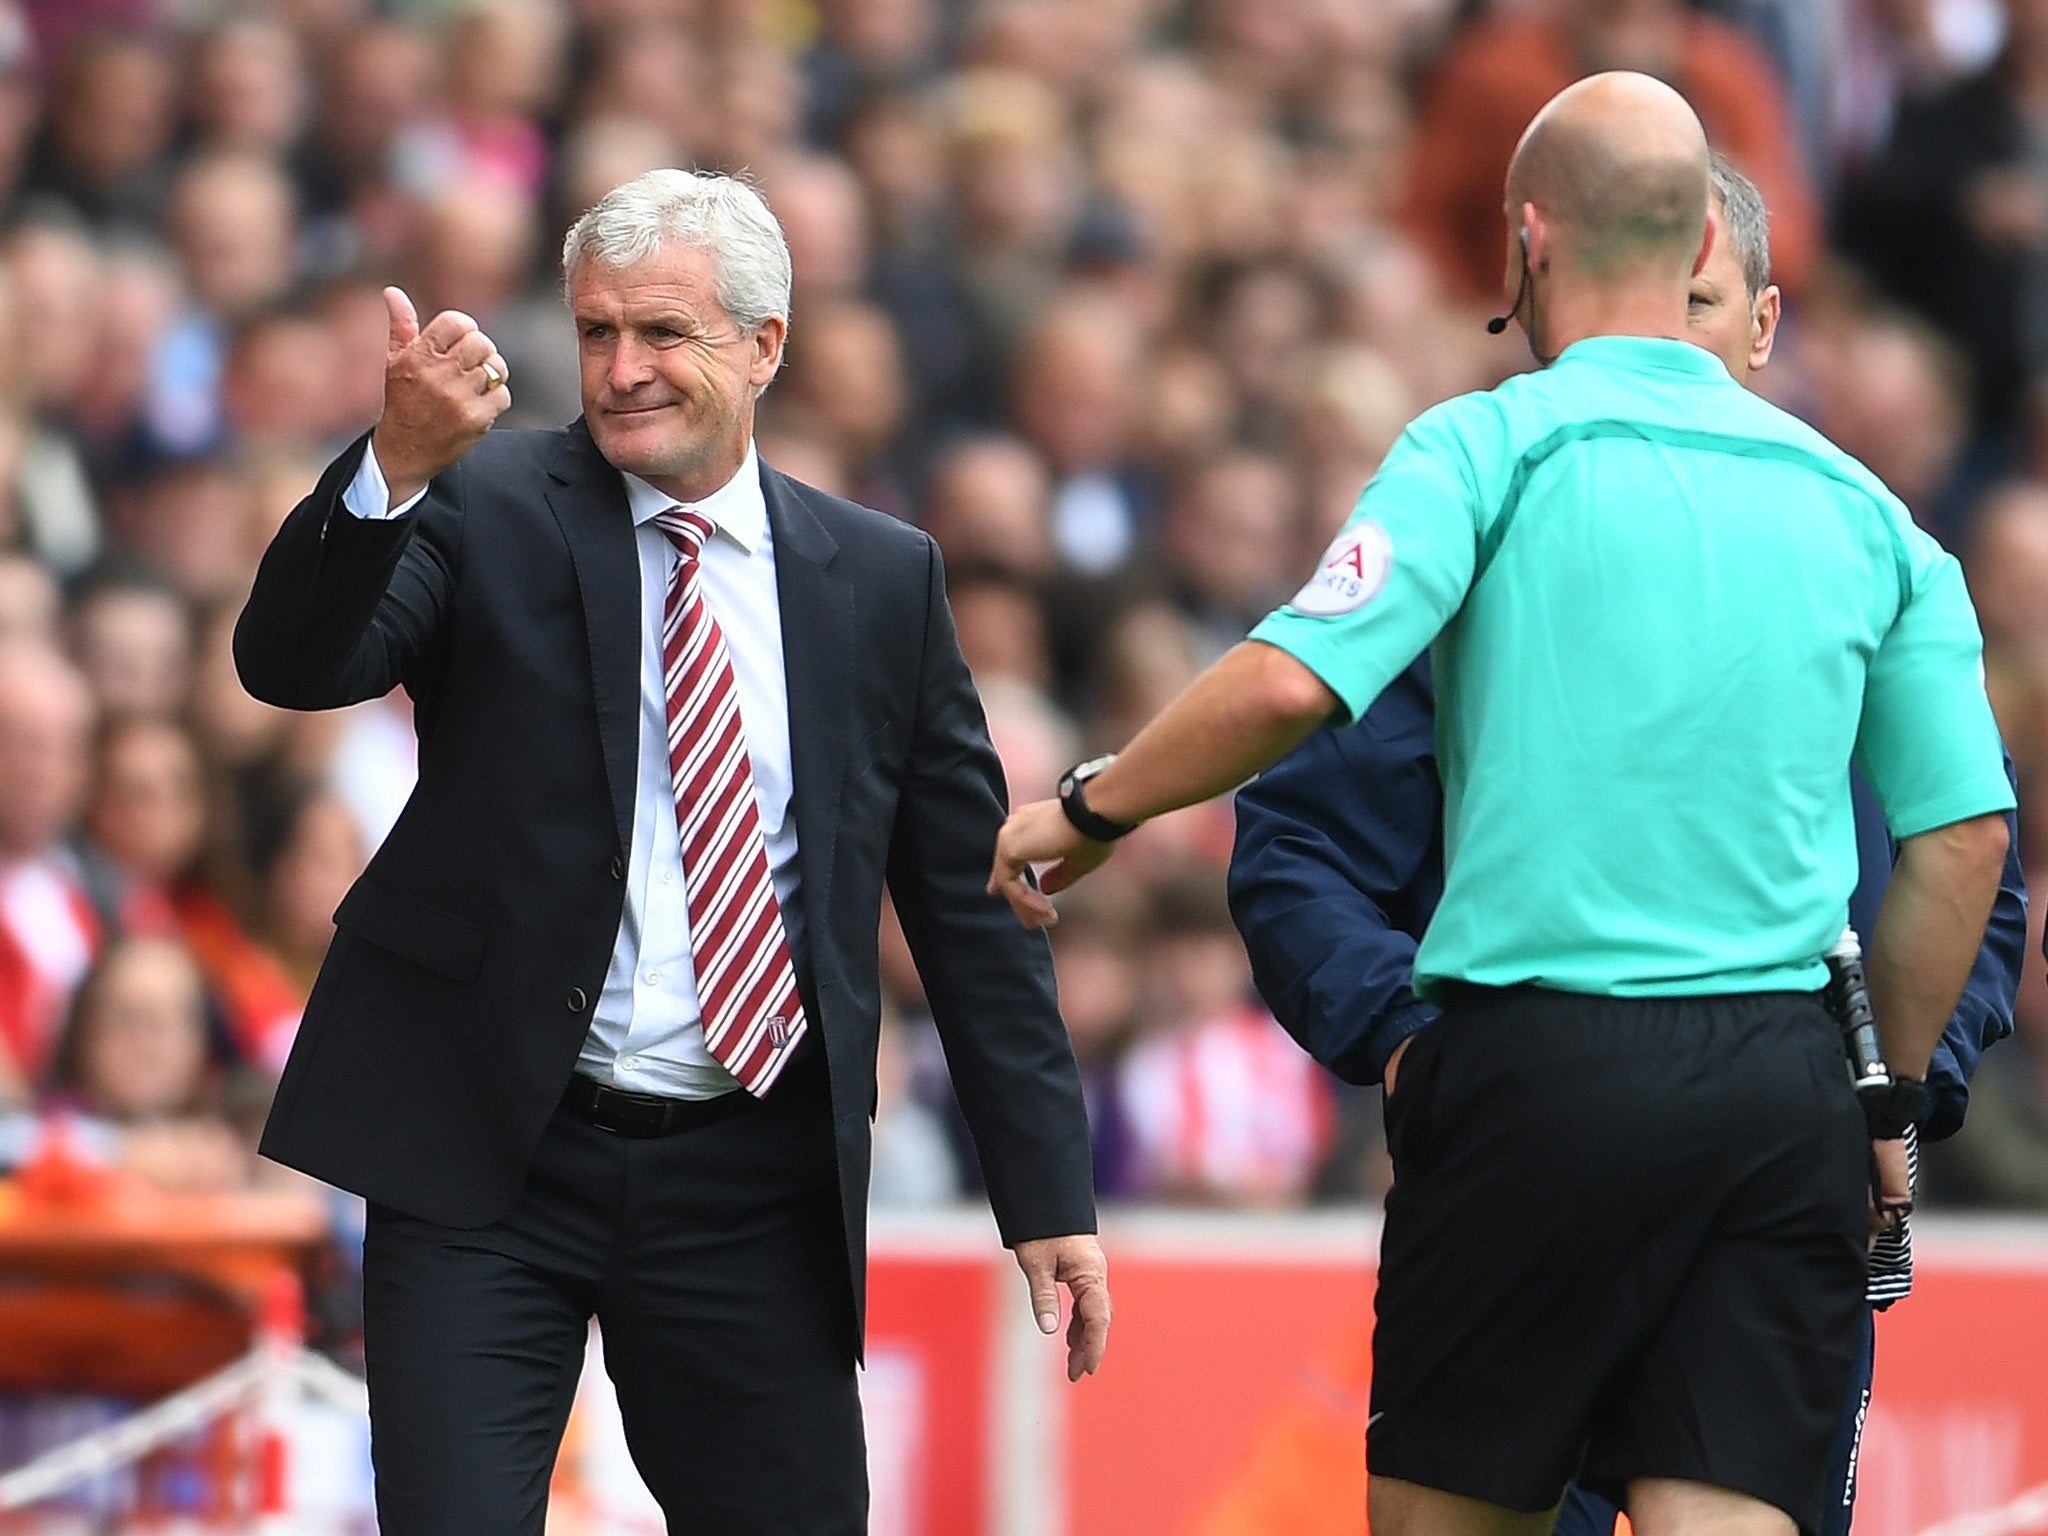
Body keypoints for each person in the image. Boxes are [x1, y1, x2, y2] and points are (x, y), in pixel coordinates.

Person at [990, 74, 2015, 1536]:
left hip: (1544, 1069)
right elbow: (1966, 840)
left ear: (1532, 240)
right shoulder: (1870, 514)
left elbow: (1293, 688)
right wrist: (1881, 1090)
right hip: (1783, 1093)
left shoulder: (1487, 448)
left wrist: (1092, 808)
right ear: (1696, 260)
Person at [234, 168, 1106, 1536]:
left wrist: (1046, 1186)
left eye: (663, 334)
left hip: (749, 1176)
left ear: (765, 346)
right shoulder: (485, 500)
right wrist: (395, 464)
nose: (622, 368)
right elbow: (290, 663)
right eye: (595, 334)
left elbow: (964, 901)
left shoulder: (881, 581)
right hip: (487, 1155)